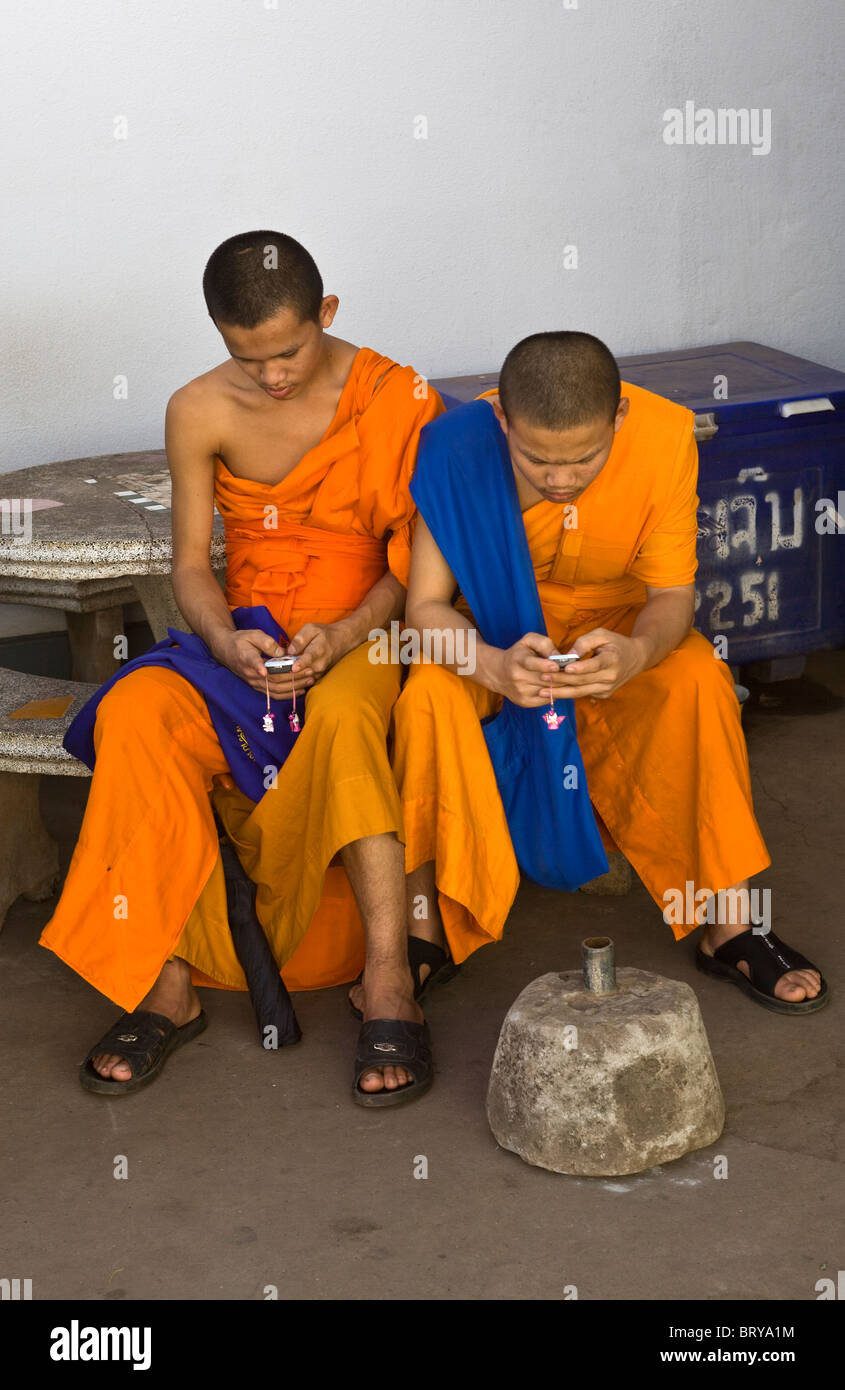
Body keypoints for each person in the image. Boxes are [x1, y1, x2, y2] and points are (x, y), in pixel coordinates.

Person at [41, 230, 443, 1106]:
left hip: (368, 630)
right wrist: (224, 640)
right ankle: (166, 983)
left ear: (326, 314)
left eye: (289, 351)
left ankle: (387, 979)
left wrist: (340, 637)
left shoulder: (398, 397)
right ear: (219, 332)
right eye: (245, 355)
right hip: (244, 636)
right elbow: (190, 565)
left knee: (343, 719)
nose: (270, 376)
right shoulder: (198, 407)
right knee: (137, 710)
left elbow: (412, 561)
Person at [389, 331, 827, 1015]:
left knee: (697, 681)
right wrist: (493, 667)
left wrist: (634, 655)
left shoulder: (661, 437)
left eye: (584, 458)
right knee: (425, 699)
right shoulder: (458, 451)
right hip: (498, 638)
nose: (560, 479)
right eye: (536, 459)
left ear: (618, 418)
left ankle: (730, 923)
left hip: (614, 633)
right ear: (501, 420)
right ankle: (423, 928)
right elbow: (424, 610)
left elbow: (671, 601)